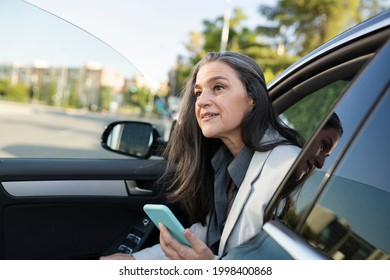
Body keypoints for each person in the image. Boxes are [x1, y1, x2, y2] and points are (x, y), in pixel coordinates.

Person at [100, 51, 303, 260]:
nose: (202, 101)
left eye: (218, 87)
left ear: (252, 98)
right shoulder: (223, 161)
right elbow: (204, 235)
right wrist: (134, 261)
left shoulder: (284, 165)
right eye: (198, 93)